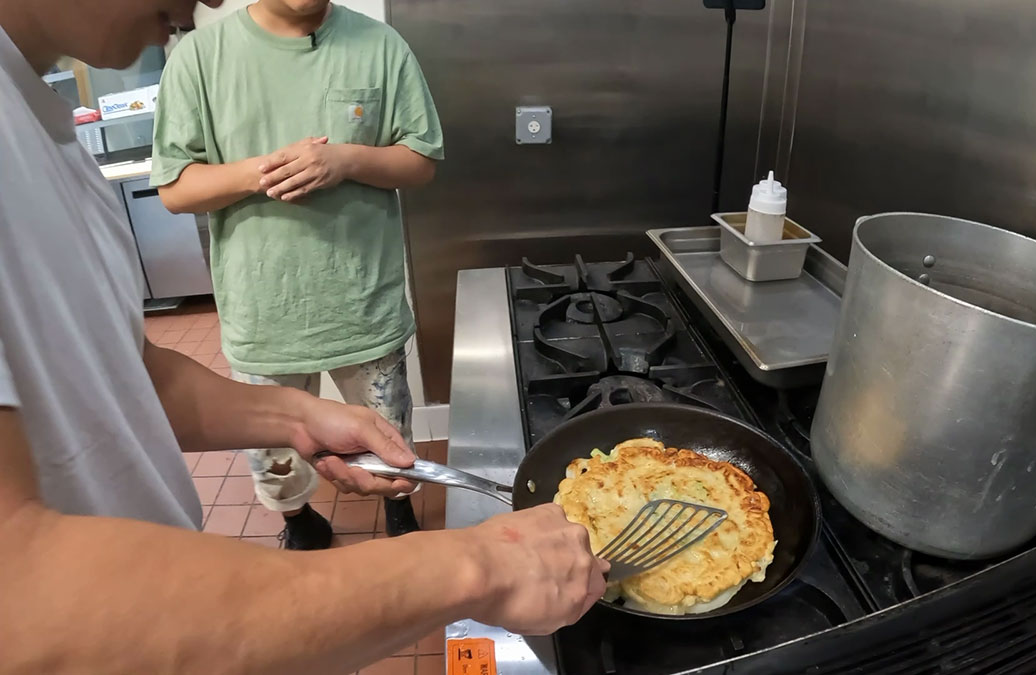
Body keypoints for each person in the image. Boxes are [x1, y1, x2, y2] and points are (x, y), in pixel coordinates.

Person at [0, 0, 606, 671]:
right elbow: (20, 596)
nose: (206, 0)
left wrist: (294, 414)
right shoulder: (183, 66)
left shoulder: (31, 123)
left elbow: (115, 372)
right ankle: (299, 520)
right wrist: (473, 567)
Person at [151, 0, 442, 549]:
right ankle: (297, 517)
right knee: (273, 451)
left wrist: (347, 160)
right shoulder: (199, 57)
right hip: (265, 313)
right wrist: (264, 171)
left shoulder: (381, 46)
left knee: (389, 436)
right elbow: (175, 188)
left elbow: (420, 161)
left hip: (364, 303)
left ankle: (398, 506)